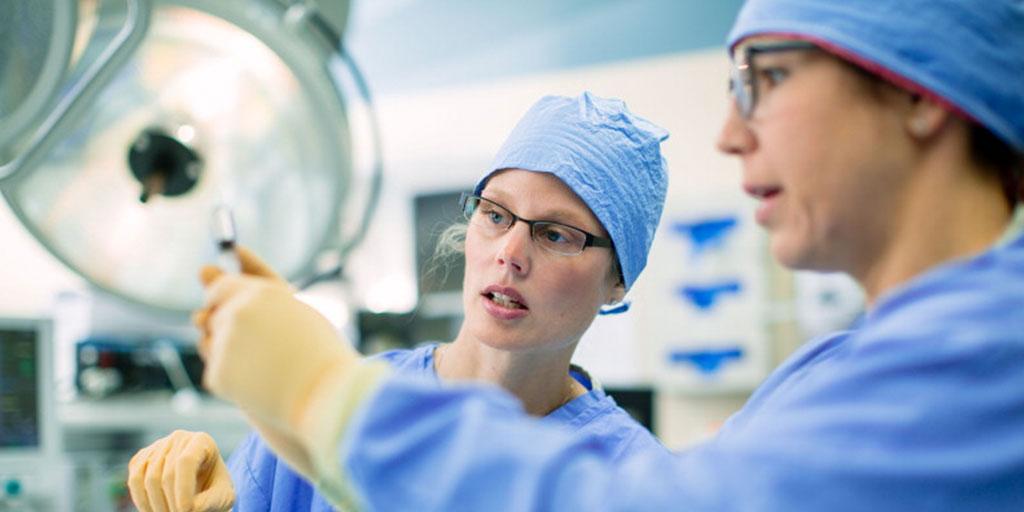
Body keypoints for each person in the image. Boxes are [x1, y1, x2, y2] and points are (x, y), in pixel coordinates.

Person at [172, 0, 1024, 509]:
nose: (729, 136)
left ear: (917, 91)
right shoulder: (852, 368)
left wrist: (323, 396)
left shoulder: (983, 359)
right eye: (496, 216)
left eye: (763, 79)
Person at [126, 92, 673, 511]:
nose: (510, 254)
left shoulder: (628, 479)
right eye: (496, 214)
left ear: (618, 282)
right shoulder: (343, 398)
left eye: (556, 234)